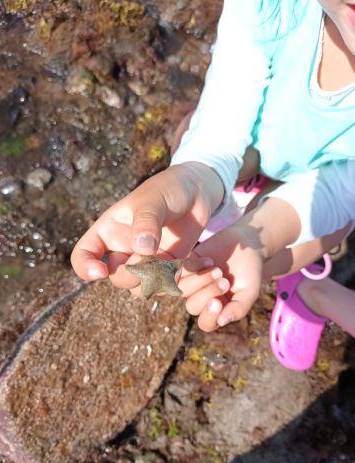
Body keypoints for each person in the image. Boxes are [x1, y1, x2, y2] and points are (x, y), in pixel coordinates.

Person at [71, 0, 355, 370]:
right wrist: (195, 175)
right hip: (253, 138)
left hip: (322, 172)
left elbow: (343, 188)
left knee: (293, 245)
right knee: (189, 136)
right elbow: (223, 116)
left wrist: (258, 239)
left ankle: (287, 276)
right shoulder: (270, 7)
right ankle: (231, 189)